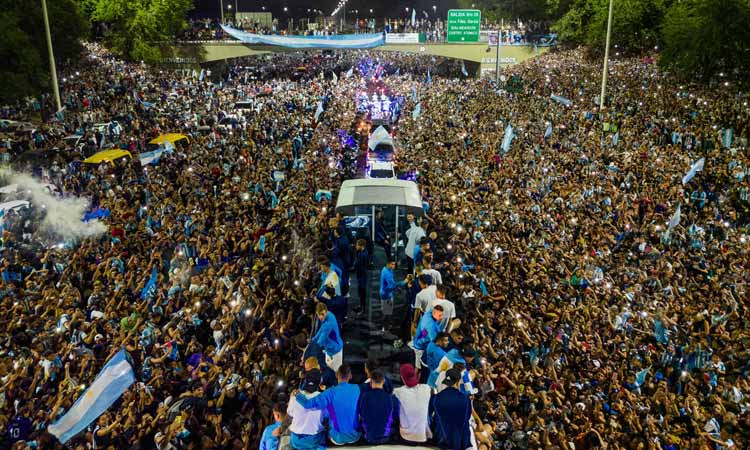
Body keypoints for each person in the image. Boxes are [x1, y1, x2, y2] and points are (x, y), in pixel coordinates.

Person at [295, 364, 361, 445]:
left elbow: (307, 404)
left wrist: (297, 395)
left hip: (337, 438)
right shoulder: (357, 389)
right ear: (350, 376)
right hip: (355, 436)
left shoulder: (330, 392)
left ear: (337, 375)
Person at [430, 368, 472, 450]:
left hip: (441, 439)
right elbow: (467, 417)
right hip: (460, 442)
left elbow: (430, 416)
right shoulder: (466, 399)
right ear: (458, 381)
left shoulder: (436, 398)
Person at [393, 363, 432, 444]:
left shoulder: (398, 392)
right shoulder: (426, 388)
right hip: (423, 436)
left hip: (405, 437)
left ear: (402, 378)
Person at [357, 370, 399, 444]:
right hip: (385, 437)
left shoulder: (364, 397)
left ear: (371, 382)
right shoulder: (390, 398)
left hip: (368, 437)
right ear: (383, 381)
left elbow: (361, 414)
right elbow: (396, 416)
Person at [288, 371, 326, 450]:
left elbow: (290, 414)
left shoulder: (294, 396)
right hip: (314, 441)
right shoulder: (323, 398)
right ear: (319, 383)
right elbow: (326, 416)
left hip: (296, 441)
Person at [311, 303, 343, 371]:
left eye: (322, 314)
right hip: (332, 348)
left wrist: (310, 350)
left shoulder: (328, 324)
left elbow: (320, 343)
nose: (320, 317)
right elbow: (321, 330)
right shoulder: (329, 314)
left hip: (334, 352)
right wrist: (313, 339)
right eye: (319, 314)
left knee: (335, 374)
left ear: (326, 311)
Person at [412, 305, 444, 370]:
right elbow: (434, 341)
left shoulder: (429, 313)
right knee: (418, 367)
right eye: (440, 315)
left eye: (441, 315)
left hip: (420, 337)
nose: (441, 317)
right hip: (419, 346)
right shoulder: (430, 327)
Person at [353, 239, 369, 314]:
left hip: (361, 276)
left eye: (357, 245)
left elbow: (358, 265)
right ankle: (361, 306)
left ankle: (363, 309)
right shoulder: (364, 252)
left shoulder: (361, 255)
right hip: (363, 275)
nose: (356, 246)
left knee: (362, 293)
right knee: (361, 292)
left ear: (361, 246)